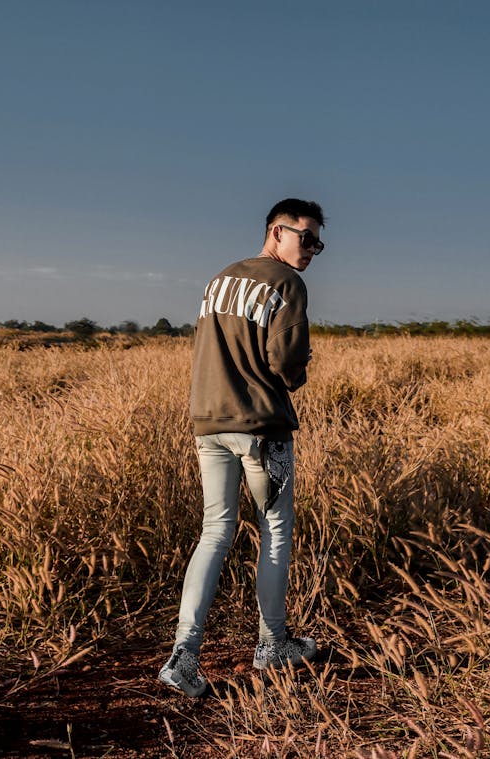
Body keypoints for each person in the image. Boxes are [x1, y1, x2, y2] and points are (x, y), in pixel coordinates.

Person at [159, 198, 326, 697]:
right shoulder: (287, 283)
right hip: (260, 425)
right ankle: (273, 644)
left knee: (215, 532)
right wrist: (297, 372)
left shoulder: (221, 278)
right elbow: (286, 359)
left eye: (319, 242)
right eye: (306, 238)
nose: (314, 250)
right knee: (274, 529)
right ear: (277, 232)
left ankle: (183, 657)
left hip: (207, 421)